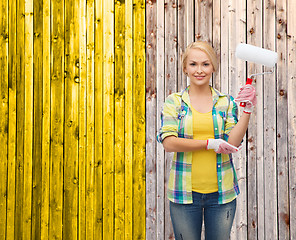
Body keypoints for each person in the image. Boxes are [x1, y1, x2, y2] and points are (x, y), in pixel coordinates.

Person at [157, 41, 256, 240]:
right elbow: (168, 142)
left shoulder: (225, 102)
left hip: (222, 196)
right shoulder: (174, 102)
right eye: (193, 64)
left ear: (213, 67)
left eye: (205, 64)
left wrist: (247, 110)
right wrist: (209, 143)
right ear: (185, 68)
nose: (199, 70)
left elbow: (233, 143)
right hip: (183, 195)